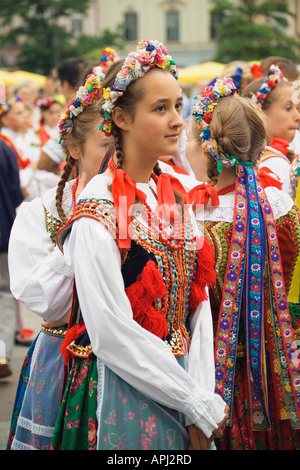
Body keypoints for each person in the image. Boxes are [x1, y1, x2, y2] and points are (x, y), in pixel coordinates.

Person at [50, 39, 228, 452]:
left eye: (179, 106)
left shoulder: (177, 194)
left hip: (187, 385)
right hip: (125, 389)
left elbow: (197, 307)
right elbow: (111, 331)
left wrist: (200, 400)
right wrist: (192, 401)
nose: (178, 121)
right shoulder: (98, 210)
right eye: (160, 108)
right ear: (123, 118)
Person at [186, 77, 300, 450]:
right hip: (272, 371)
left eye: (189, 138)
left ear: (207, 149)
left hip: (216, 377)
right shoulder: (278, 205)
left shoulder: (194, 218)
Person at [7, 71, 114, 450]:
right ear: (74, 148)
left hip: (127, 366)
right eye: (106, 145)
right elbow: (47, 303)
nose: (116, 156)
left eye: (123, 143)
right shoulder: (39, 213)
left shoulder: (142, 206)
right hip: (62, 360)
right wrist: (85, 222)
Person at [242, 65, 300, 200]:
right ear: (260, 113)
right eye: (288, 108)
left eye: (297, 108)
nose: (297, 116)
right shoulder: (274, 165)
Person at [0, 138, 23, 377]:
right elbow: (16, 192)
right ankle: (2, 352)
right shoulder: (6, 148)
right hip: (4, 228)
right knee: (4, 293)